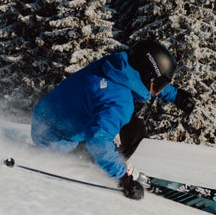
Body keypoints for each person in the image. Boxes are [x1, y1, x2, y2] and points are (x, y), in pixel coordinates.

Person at [30, 40, 196, 199]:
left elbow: (137, 77)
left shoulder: (113, 65)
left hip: (43, 122)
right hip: (57, 144)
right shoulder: (119, 101)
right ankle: (100, 163)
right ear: (148, 74)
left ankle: (107, 158)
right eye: (159, 85)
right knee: (135, 130)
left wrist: (176, 96)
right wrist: (123, 179)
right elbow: (97, 140)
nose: (157, 92)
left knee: (126, 124)